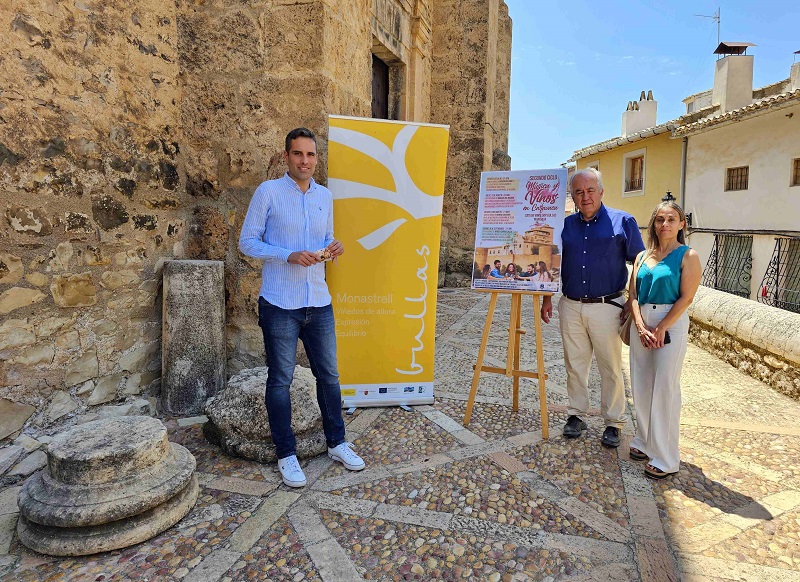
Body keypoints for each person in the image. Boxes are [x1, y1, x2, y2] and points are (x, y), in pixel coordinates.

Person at [239, 127, 365, 488]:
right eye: (298, 154)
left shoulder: (325, 196)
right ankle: (286, 454)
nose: (305, 161)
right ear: (286, 156)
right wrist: (288, 255)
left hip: (318, 301)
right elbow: (247, 242)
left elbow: (324, 239)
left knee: (330, 376)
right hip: (280, 302)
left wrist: (332, 246)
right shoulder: (269, 193)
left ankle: (337, 443)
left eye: (310, 155)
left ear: (316, 159)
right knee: (281, 379)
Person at [541, 167, 645, 447]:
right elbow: (553, 262)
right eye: (578, 191)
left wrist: (632, 300)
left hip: (607, 306)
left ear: (601, 192)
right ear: (573, 196)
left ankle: (613, 421)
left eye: (590, 190)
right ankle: (576, 414)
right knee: (575, 364)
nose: (585, 196)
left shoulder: (623, 221)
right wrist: (547, 297)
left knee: (610, 367)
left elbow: (640, 264)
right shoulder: (566, 226)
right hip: (571, 305)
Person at [628, 201, 700, 479]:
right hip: (642, 321)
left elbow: (687, 297)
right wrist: (639, 323)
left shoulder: (688, 255)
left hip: (671, 321)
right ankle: (644, 441)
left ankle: (667, 457)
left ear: (682, 224)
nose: (665, 225)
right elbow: (632, 294)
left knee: (665, 389)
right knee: (641, 385)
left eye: (671, 219)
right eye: (659, 219)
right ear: (653, 224)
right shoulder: (642, 256)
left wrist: (662, 328)